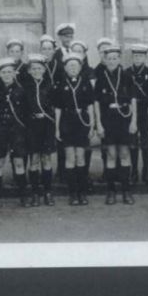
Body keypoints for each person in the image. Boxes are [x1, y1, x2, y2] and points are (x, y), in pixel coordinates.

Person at [94, 44, 137, 205]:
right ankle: (111, 191)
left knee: (124, 154)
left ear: (119, 59)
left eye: (114, 58)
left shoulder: (127, 76)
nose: (112, 61)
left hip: (124, 118)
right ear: (105, 60)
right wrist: (98, 123)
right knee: (111, 154)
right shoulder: (101, 76)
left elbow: (133, 100)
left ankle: (126, 191)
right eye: (109, 58)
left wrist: (133, 121)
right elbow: (97, 102)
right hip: (108, 119)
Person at [53, 52, 96, 205]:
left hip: (82, 121)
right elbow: (57, 108)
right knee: (70, 158)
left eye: (76, 65)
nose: (73, 68)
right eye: (70, 65)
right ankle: (72, 193)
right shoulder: (60, 84)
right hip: (67, 122)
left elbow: (90, 105)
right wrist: (57, 128)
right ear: (65, 67)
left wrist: (91, 125)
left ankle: (82, 192)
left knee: (81, 157)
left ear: (80, 67)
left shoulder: (85, 83)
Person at [0, 57, 30, 207]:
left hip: (17, 131)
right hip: (0, 131)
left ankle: (23, 197)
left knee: (19, 162)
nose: (7, 75)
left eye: (9, 72)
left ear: (14, 74)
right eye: (4, 72)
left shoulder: (21, 91)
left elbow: (26, 114)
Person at [23, 54, 57, 206]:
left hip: (47, 126)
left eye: (39, 68)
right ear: (29, 71)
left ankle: (48, 192)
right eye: (33, 68)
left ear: (44, 70)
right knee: (34, 160)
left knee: (47, 159)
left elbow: (56, 106)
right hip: (32, 127)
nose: (37, 71)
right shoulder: (25, 87)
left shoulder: (50, 85)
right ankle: (35, 193)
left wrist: (48, 116)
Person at [127, 43, 148, 184]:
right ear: (132, 57)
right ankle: (134, 171)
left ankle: (145, 171)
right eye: (135, 55)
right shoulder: (127, 72)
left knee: (145, 142)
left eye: (141, 56)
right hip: (130, 112)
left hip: (145, 110)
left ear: (145, 57)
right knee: (132, 142)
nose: (138, 58)